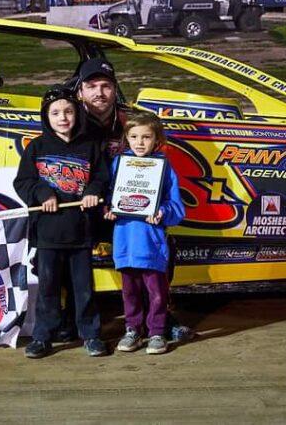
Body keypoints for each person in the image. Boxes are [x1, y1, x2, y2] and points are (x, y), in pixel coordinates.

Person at [73, 58, 195, 344]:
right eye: (92, 86)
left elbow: (165, 182)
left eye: (106, 86)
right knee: (69, 242)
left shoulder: (132, 121)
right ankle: (79, 320)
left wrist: (160, 210)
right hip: (91, 209)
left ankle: (162, 321)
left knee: (160, 252)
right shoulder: (70, 122)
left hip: (133, 212)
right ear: (80, 91)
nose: (99, 92)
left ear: (116, 90)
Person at [13, 88, 110, 359]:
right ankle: (43, 336)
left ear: (77, 114)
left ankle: (90, 335)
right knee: (48, 288)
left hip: (81, 232)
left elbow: (102, 179)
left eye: (68, 111)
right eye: (55, 113)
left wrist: (92, 191)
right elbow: (23, 182)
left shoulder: (90, 147)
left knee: (84, 289)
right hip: (47, 233)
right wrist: (44, 194)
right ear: (46, 116)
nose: (63, 118)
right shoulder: (37, 147)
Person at [104, 112, 185, 354]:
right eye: (134, 137)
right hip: (125, 241)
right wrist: (109, 208)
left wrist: (162, 212)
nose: (140, 142)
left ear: (157, 139)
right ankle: (133, 330)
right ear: (126, 139)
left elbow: (177, 207)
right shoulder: (119, 164)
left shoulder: (164, 166)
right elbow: (110, 195)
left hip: (152, 243)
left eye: (146, 137)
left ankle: (157, 332)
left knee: (157, 293)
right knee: (129, 292)